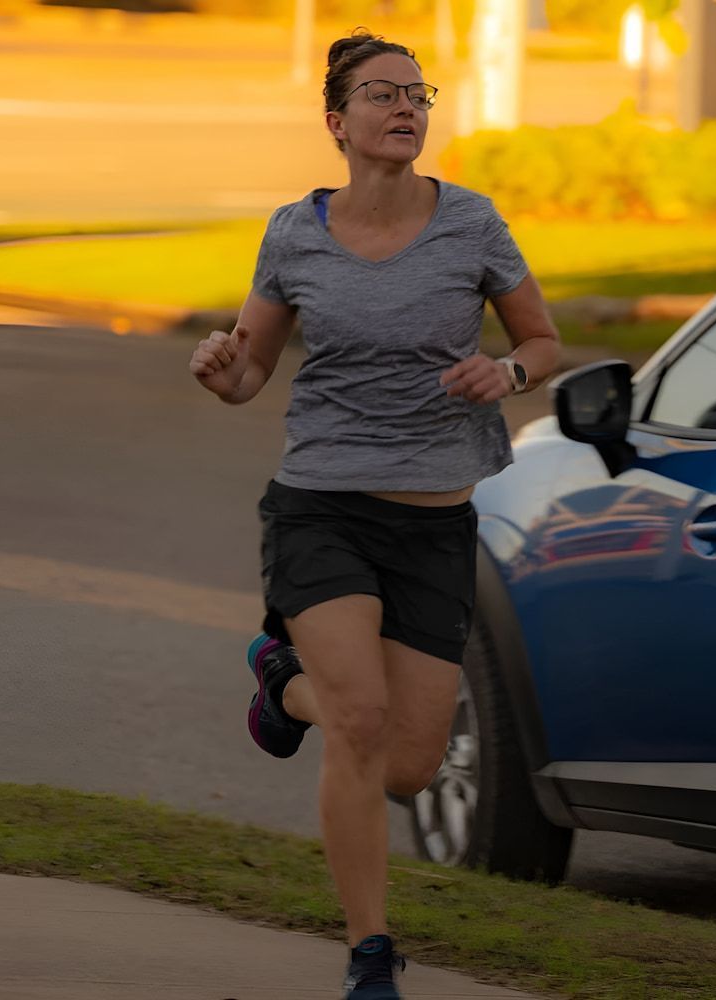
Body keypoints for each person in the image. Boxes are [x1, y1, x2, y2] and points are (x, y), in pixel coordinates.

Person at [189, 28, 561, 1000]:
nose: (406, 108)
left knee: (407, 763)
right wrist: (227, 373)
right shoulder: (293, 232)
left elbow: (542, 339)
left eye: (417, 93)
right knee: (357, 718)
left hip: (433, 523)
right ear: (336, 123)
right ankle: (369, 954)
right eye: (382, 95)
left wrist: (509, 371)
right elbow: (255, 365)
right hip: (323, 508)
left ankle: (279, 684)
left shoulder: (472, 224)